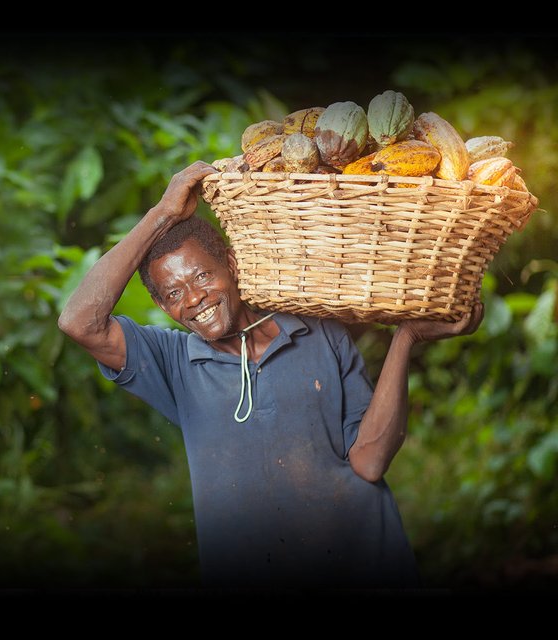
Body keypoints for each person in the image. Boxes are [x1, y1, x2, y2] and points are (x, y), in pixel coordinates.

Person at [58, 160, 483, 590]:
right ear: (165, 308)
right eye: (173, 293)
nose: (194, 298)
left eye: (203, 275)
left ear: (231, 263)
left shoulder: (318, 333)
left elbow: (370, 462)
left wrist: (406, 337)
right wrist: (163, 213)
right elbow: (79, 321)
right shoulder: (172, 361)